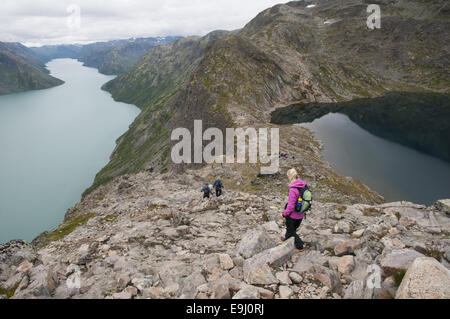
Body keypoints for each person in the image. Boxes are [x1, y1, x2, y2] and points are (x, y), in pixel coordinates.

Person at [281, 168, 306, 252]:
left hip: (293, 216)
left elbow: (291, 206)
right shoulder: (303, 186)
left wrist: (284, 214)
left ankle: (300, 246)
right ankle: (286, 240)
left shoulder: (293, 189)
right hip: (301, 215)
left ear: (290, 177)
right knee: (291, 230)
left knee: (291, 231)